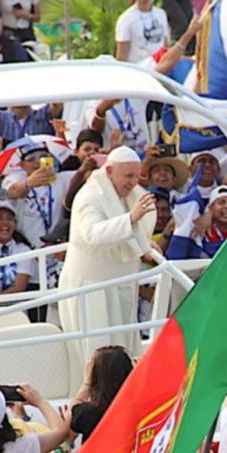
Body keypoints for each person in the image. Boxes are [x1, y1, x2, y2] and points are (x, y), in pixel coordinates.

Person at [58, 146, 157, 364]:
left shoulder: (126, 195)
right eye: (128, 176)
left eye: (136, 176)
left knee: (124, 352)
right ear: (110, 171)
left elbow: (127, 230)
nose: (133, 182)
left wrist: (144, 244)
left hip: (120, 286)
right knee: (99, 356)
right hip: (91, 290)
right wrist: (131, 218)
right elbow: (93, 233)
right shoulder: (90, 197)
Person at [69, 345, 134, 443]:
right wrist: (139, 375)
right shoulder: (138, 409)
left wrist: (86, 384)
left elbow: (69, 416)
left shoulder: (87, 413)